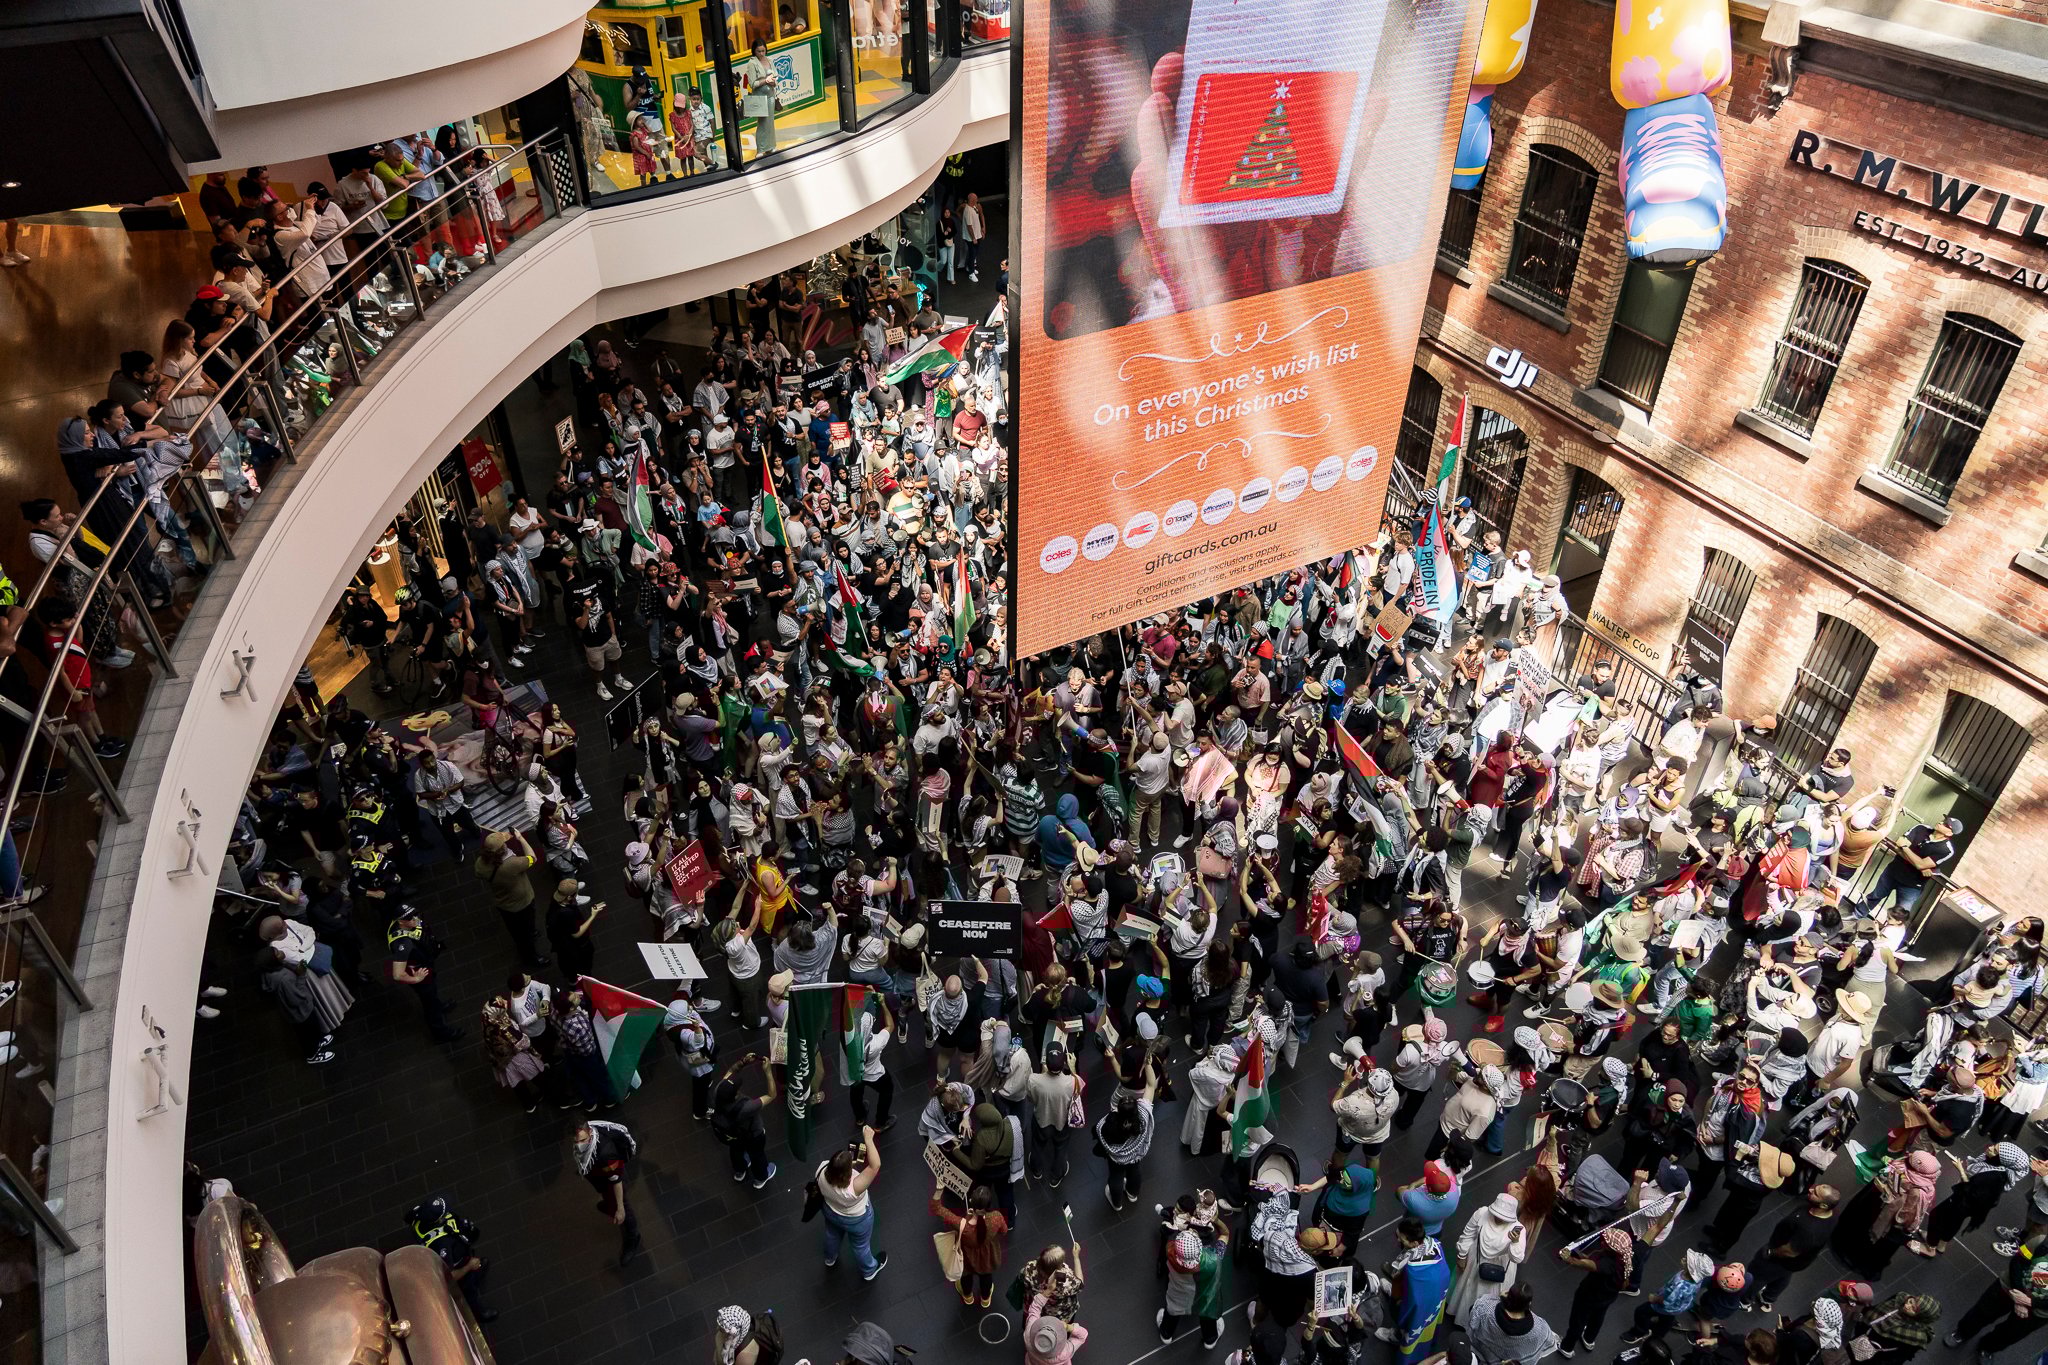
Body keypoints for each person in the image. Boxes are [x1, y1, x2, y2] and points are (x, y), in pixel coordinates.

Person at [1943, 1232, 2048, 1361]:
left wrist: (2030, 1303)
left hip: (2040, 1310)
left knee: (2012, 1333)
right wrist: (2020, 1296)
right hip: (2011, 1286)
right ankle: (1963, 1332)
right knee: (1983, 1311)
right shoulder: (2042, 1241)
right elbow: (2018, 1262)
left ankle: (1988, 1347)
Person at [406, 1196, 496, 1322]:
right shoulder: (442, 1244)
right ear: (438, 1220)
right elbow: (449, 1276)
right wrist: (469, 1266)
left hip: (454, 1252)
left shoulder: (418, 1215)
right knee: (470, 1291)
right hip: (460, 1266)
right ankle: (480, 1314)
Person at [818, 1124, 888, 1280]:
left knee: (831, 1234)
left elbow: (837, 1170)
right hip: (856, 1220)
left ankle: (830, 1258)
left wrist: (849, 1161)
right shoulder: (854, 1188)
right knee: (860, 1246)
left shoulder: (822, 1169)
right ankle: (869, 1270)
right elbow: (875, 1165)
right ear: (848, 1174)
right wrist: (868, 1139)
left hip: (830, 1210)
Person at [474, 829, 549, 970]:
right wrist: (521, 839)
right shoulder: (512, 864)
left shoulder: (480, 863)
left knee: (516, 929)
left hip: (503, 903)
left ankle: (529, 934)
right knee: (524, 934)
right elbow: (532, 858)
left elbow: (479, 874)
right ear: (502, 849)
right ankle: (532, 958)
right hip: (522, 903)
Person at [571, 1118, 641, 1265]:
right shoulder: (587, 1135)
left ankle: (633, 1237)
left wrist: (620, 1209)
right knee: (608, 1198)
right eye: (576, 1141)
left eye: (583, 1140)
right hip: (601, 1176)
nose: (579, 1145)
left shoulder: (606, 1155)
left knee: (624, 1208)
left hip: (613, 1181)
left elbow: (616, 1181)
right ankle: (610, 1205)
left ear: (591, 1134)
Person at [1557, 1225, 1632, 1357]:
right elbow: (1590, 1261)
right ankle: (1589, 1339)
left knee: (1578, 1321)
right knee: (1598, 1317)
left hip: (1590, 1295)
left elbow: (1587, 1265)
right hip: (1608, 1296)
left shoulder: (1607, 1263)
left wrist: (1568, 1259)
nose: (1603, 1242)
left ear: (1612, 1248)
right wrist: (1580, 1255)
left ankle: (1566, 1347)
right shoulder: (1625, 1257)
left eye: (1606, 1242)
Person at [930, 1182, 1009, 1307]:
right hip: (987, 1256)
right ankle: (985, 1299)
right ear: (989, 1205)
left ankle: (968, 1297)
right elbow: (1004, 1231)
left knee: (966, 1277)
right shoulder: (996, 1217)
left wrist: (939, 1190)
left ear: (971, 1201)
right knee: (986, 1276)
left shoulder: (962, 1224)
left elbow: (936, 1208)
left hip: (967, 1257)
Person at [1392, 1214, 1455, 1365]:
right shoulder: (1435, 1242)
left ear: (1414, 1243)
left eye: (1402, 1239)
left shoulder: (1410, 1266)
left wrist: (1398, 1300)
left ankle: (1396, 1334)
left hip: (1420, 1301)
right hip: (1438, 1293)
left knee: (1407, 1320)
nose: (1398, 1240)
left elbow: (1406, 1294)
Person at [1095, 1058, 1157, 1210]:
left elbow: (1099, 1132)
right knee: (1134, 1170)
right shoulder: (1143, 1115)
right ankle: (1132, 1193)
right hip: (1136, 1154)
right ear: (1137, 1107)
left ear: (1118, 1110)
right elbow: (1151, 1085)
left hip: (1117, 1158)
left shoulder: (1108, 1124)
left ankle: (1117, 1204)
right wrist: (1148, 1064)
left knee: (1116, 1176)